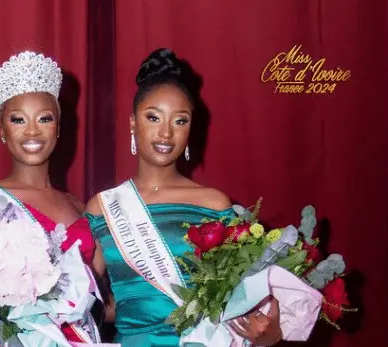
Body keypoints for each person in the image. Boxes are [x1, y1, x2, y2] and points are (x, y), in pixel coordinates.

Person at [85, 48, 283, 346]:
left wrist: (268, 333)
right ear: (132, 122)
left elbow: (253, 313)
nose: (166, 133)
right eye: (153, 117)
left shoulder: (214, 204)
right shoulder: (103, 207)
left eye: (180, 121)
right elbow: (84, 302)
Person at [0, 51, 102, 344]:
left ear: (58, 129)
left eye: (44, 118)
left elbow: (103, 303)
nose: (31, 130)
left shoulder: (80, 206)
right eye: (18, 119)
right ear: (2, 130)